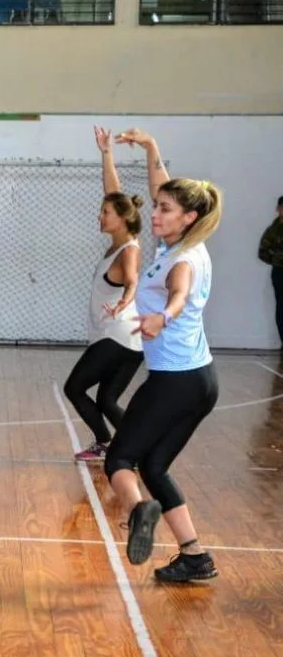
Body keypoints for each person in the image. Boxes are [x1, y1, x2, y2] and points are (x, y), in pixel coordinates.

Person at [107, 128, 222, 583]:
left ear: (188, 217)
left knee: (120, 461)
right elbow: (162, 187)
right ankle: (195, 556)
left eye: (164, 209)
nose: (155, 211)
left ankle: (140, 513)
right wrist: (152, 149)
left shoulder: (184, 260)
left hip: (175, 380)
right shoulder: (180, 242)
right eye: (156, 205)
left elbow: (179, 292)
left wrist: (164, 317)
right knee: (154, 465)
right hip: (200, 380)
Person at [64, 126, 145, 462]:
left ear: (122, 219)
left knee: (74, 388)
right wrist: (107, 153)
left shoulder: (128, 250)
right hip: (129, 340)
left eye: (105, 214)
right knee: (107, 401)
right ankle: (135, 450)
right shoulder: (120, 242)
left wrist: (127, 299)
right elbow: (115, 194)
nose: (100, 216)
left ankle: (106, 443)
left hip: (118, 335)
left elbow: (132, 279)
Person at [257, 195, 283, 347]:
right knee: (281, 307)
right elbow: (263, 252)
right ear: (278, 209)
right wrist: (277, 260)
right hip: (280, 272)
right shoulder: (274, 230)